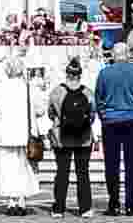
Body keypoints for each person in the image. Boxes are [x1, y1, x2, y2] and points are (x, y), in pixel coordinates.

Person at [95, 42, 133, 217]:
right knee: (132, 166)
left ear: (113, 54)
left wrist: (105, 117)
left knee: (112, 165)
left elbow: (99, 98)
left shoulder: (104, 74)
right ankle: (131, 206)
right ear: (128, 54)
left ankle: (114, 204)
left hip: (111, 122)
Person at [0, 57, 40, 216]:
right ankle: (22, 202)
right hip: (24, 135)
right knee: (23, 169)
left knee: (7, 170)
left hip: (4, 135)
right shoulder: (29, 88)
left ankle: (11, 202)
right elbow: (40, 110)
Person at [48, 57, 95, 218]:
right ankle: (85, 208)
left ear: (66, 74)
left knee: (62, 172)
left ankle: (58, 208)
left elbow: (50, 113)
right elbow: (92, 115)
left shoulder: (57, 92)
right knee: (83, 173)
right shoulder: (88, 92)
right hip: (84, 138)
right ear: (80, 74)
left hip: (62, 138)